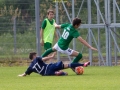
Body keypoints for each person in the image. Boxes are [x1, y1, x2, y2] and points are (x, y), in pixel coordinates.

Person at [18, 52, 90, 76]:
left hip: (46, 74)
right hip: (49, 67)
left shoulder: (30, 67)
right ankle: (83, 64)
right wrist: (51, 57)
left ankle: (59, 73)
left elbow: (24, 74)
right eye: (35, 55)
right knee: (68, 65)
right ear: (33, 56)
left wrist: (20, 75)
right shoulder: (37, 58)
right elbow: (43, 59)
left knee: (65, 73)